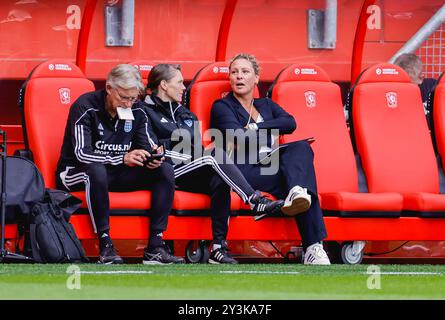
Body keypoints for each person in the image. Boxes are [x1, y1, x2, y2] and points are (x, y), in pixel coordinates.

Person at [142, 63, 284, 264]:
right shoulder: (143, 111)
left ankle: (219, 247)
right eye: (180, 83)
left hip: (188, 168)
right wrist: (178, 150)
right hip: (163, 171)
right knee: (215, 154)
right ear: (164, 85)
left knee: (220, 178)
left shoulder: (186, 114)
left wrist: (185, 150)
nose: (184, 88)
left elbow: (193, 146)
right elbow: (152, 148)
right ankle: (253, 199)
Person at [56, 64, 185, 265]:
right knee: (96, 171)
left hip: (117, 173)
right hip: (77, 172)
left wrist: (153, 158)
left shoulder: (137, 110)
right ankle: (105, 244)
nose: (127, 104)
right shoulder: (85, 106)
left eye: (133, 99)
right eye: (123, 98)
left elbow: (148, 145)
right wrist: (122, 158)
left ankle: (156, 246)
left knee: (164, 170)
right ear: (109, 88)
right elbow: (82, 154)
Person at [210, 53, 330, 265]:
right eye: (234, 72)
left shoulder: (266, 104)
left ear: (256, 78)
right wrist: (271, 130)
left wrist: (256, 126)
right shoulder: (222, 106)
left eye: (245, 72)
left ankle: (313, 247)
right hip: (242, 172)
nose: (239, 76)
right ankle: (313, 242)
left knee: (301, 151)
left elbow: (290, 124)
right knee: (301, 180)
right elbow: (238, 137)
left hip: (268, 167)